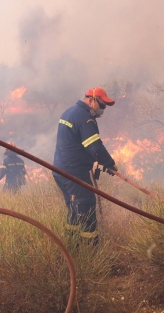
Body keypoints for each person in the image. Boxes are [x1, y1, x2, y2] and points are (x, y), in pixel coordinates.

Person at [52, 87, 118, 245]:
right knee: (87, 206)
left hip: (60, 170)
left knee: (74, 208)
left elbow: (75, 144)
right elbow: (95, 146)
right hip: (74, 172)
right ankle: (90, 251)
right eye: (102, 105)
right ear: (91, 100)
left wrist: (93, 162)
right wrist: (110, 164)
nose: (103, 110)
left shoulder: (69, 112)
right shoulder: (85, 118)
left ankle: (71, 246)